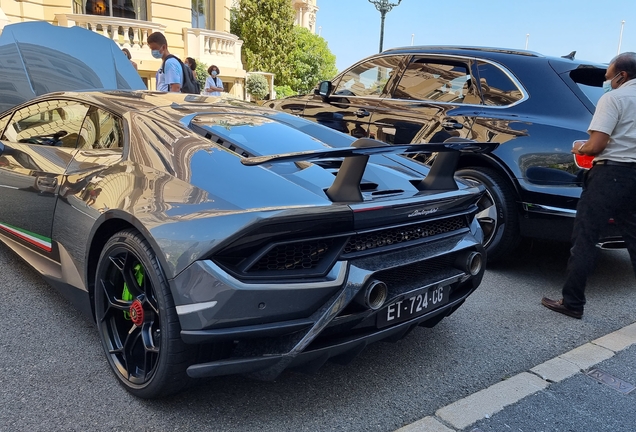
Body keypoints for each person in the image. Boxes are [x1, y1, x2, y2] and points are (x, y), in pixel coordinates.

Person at [541, 52, 636, 319]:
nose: (608, 82)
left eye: (609, 77)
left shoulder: (614, 98)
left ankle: (572, 302)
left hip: (611, 174)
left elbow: (596, 145)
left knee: (586, 238)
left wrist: (579, 146)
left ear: (623, 75)